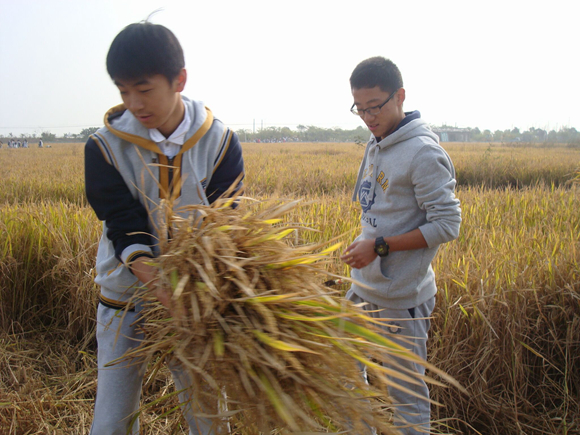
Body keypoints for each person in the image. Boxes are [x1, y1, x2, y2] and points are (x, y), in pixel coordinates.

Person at [84, 21, 244, 435]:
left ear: (179, 80)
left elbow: (225, 222)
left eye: (144, 88)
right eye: (123, 91)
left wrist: (201, 295)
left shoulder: (220, 142)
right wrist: (157, 285)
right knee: (112, 420)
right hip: (126, 299)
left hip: (194, 302)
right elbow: (123, 223)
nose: (134, 102)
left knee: (210, 417)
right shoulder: (104, 146)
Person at [340, 57, 461, 434]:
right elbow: (379, 208)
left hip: (402, 298)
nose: (367, 116)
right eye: (360, 108)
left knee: (407, 397)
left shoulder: (422, 152)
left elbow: (447, 224)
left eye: (375, 106)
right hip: (363, 290)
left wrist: (378, 246)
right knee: (341, 370)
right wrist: (365, 243)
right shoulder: (377, 142)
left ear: (400, 96)